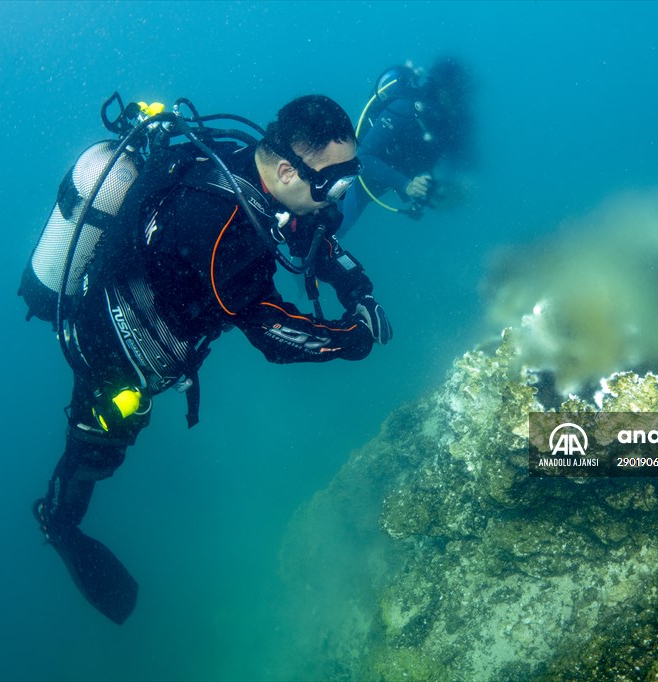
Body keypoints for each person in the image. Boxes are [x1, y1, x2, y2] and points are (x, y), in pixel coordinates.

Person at [27, 94, 392, 624]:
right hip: (114, 350)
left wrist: (356, 287)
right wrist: (350, 338)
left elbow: (307, 229)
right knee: (100, 444)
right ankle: (59, 522)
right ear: (288, 168)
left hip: (141, 297)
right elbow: (274, 332)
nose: (340, 195)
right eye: (332, 181)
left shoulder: (246, 167)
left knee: (107, 439)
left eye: (348, 175)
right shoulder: (225, 233)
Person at [337, 57, 475, 236]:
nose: (459, 99)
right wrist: (406, 185)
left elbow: (418, 165)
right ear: (440, 88)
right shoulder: (406, 109)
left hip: (372, 190)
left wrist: (431, 192)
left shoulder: (438, 124)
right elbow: (362, 157)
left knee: (330, 237)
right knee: (331, 231)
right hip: (350, 185)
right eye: (454, 92)